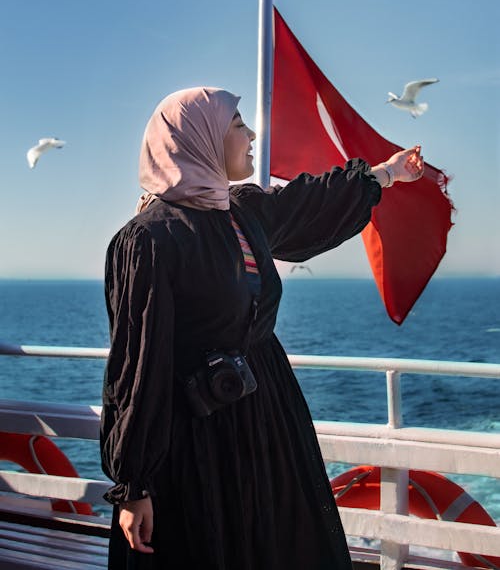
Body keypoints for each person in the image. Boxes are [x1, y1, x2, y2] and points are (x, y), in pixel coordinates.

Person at [101, 86, 424, 570]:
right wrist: (134, 485)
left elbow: (311, 201)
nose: (251, 135)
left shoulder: (242, 213)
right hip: (196, 441)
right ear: (200, 139)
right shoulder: (149, 240)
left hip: (266, 421)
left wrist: (388, 174)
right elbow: (138, 367)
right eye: (237, 125)